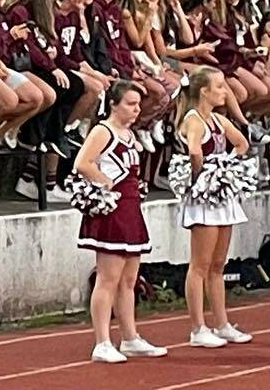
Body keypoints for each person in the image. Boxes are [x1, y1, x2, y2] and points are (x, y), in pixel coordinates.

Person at [74, 80, 165, 364]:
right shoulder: (103, 131)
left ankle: (130, 337)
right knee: (107, 278)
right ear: (113, 104)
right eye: (130, 103)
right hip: (113, 211)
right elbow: (82, 163)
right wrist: (106, 184)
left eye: (138, 104)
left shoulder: (129, 134)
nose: (136, 109)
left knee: (129, 280)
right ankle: (102, 341)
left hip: (131, 209)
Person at [175, 68, 252, 347]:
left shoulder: (219, 119)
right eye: (219, 87)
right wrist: (202, 177)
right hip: (204, 199)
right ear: (204, 91)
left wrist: (226, 167)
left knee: (218, 265)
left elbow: (242, 143)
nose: (225, 91)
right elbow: (194, 150)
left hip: (221, 196)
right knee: (200, 265)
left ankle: (221, 323)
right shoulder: (193, 120)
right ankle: (198, 328)